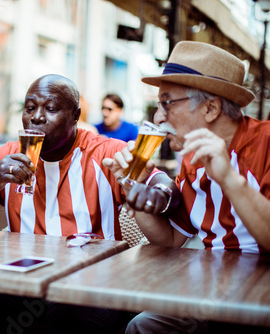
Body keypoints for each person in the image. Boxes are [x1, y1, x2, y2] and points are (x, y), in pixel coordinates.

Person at [0, 74, 180, 333]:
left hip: (90, 286)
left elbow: (166, 186)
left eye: (50, 109)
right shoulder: (6, 157)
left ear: (75, 116)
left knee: (64, 326)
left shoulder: (104, 152)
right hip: (21, 284)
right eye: (30, 108)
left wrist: (156, 194)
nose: (37, 117)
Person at [104, 41, 270, 333]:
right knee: (142, 327)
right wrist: (131, 185)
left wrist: (229, 178)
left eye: (167, 103)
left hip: (260, 296)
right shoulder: (192, 161)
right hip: (209, 292)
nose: (158, 117)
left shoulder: (265, 144)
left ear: (210, 108)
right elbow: (169, 240)